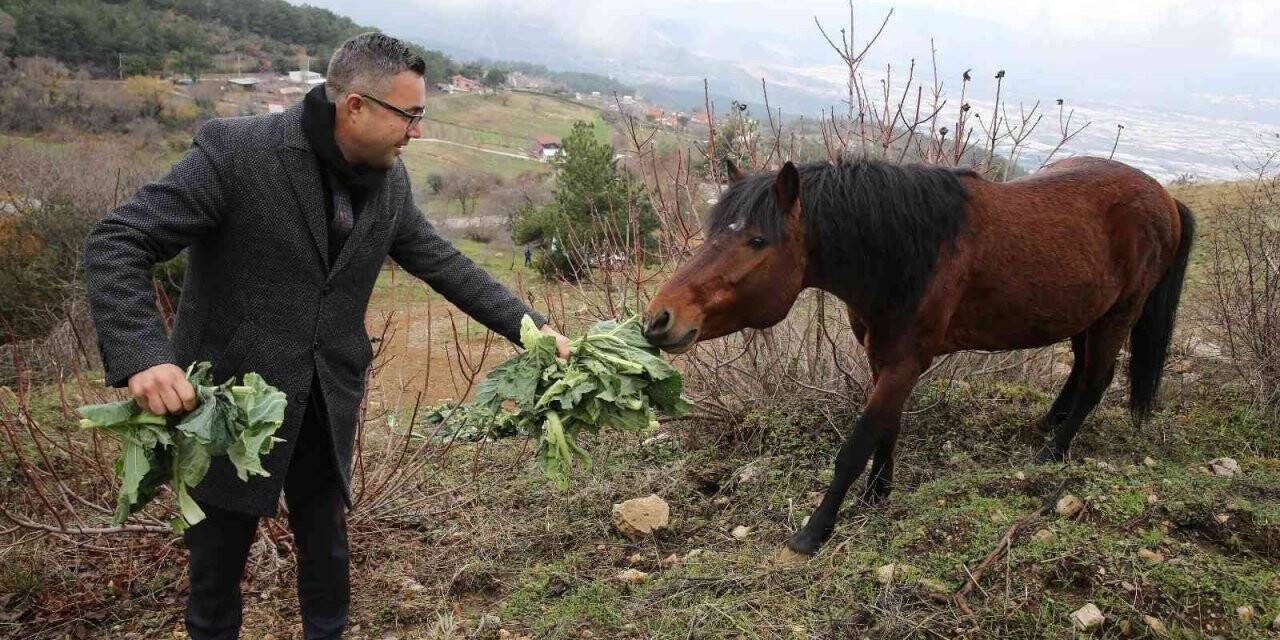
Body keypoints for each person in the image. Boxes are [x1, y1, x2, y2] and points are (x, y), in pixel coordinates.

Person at [82, 32, 568, 640]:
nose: (417, 131)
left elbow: (445, 264)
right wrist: (144, 357)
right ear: (356, 106)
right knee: (215, 573)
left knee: (328, 551)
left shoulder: (390, 181)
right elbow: (119, 241)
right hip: (227, 410)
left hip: (325, 398)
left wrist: (536, 330)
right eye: (410, 115)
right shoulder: (237, 152)